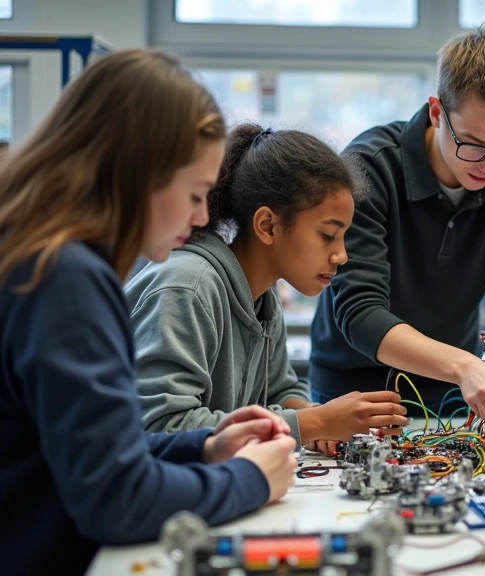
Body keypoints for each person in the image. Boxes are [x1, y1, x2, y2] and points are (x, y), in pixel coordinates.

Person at [0, 49, 297, 576]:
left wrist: (204, 447)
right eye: (194, 193)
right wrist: (249, 479)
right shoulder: (65, 278)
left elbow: (92, 452)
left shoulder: (44, 256)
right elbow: (116, 499)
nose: (203, 215)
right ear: (139, 174)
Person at [308, 26, 485, 425]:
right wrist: (464, 367)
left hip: (452, 389)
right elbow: (360, 311)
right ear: (436, 112)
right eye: (475, 145)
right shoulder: (370, 166)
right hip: (356, 387)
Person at [125, 124, 408, 457]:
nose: (341, 255)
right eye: (328, 236)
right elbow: (161, 428)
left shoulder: (263, 296)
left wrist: (327, 422)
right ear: (268, 226)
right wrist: (314, 422)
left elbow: (279, 388)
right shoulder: (189, 287)